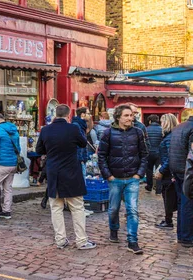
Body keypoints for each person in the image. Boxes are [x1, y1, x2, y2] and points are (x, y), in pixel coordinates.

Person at [36, 104, 96, 250]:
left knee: (56, 208)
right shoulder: (73, 128)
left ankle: (60, 240)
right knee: (77, 207)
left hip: (53, 172)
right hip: (71, 171)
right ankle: (81, 240)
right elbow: (83, 143)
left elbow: (39, 150)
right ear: (68, 115)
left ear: (55, 114)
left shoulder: (45, 130)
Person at [98, 104, 148, 255]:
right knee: (113, 209)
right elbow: (101, 156)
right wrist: (109, 175)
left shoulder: (138, 132)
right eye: (126, 115)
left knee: (132, 210)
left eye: (131, 115)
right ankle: (114, 230)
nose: (130, 118)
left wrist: (139, 174)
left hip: (132, 178)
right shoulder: (108, 133)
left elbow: (145, 154)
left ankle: (132, 241)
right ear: (118, 117)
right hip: (115, 178)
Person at [168, 108, 193, 248]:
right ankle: (187, 237)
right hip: (187, 171)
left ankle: (182, 235)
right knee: (188, 203)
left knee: (182, 203)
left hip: (177, 169)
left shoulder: (179, 127)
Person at [155, 113, 179, 229]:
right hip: (170, 171)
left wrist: (162, 170)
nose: (161, 125)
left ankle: (168, 221)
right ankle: (168, 220)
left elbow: (170, 157)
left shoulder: (170, 137)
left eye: (162, 122)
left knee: (168, 197)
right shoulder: (171, 136)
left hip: (169, 173)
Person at [145, 115, 163, 193]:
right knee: (159, 169)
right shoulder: (162, 129)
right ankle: (159, 189)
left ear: (150, 121)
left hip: (149, 153)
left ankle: (149, 186)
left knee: (148, 170)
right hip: (159, 153)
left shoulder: (146, 129)